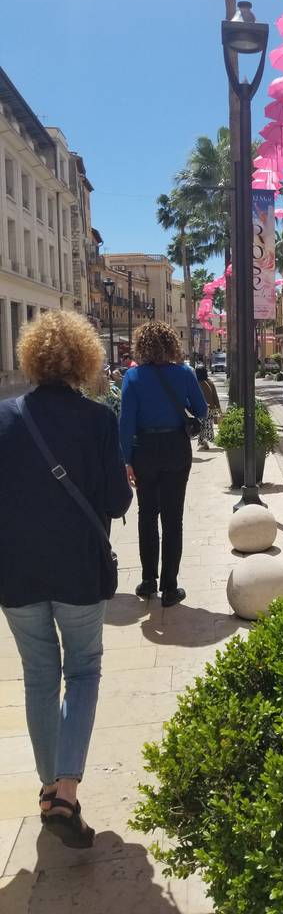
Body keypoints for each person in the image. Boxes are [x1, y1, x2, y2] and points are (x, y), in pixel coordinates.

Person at [0, 311, 132, 848]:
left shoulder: (5, 417)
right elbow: (117, 502)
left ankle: (48, 785)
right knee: (82, 670)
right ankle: (67, 792)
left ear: (30, 358)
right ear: (85, 359)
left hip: (15, 571)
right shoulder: (98, 420)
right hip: (78, 567)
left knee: (38, 676)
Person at [120, 321, 207, 607]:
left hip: (144, 449)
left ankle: (148, 581)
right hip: (175, 447)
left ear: (142, 346)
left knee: (147, 514)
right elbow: (202, 410)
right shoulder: (184, 373)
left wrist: (126, 460)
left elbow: (126, 422)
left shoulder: (132, 376)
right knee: (173, 518)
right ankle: (170, 587)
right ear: (171, 344)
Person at [195, 365, 221, 450]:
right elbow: (215, 397)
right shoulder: (210, 383)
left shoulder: (195, 383)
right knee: (208, 424)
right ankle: (206, 439)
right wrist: (218, 408)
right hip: (210, 407)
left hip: (199, 407)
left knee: (201, 425)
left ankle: (203, 440)